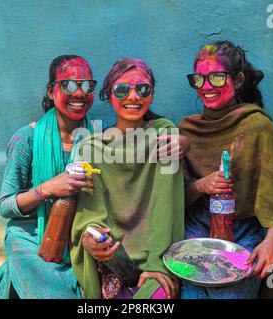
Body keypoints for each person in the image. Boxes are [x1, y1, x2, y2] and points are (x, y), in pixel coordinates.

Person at [179, 41, 273, 299]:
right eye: (199, 79)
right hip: (196, 231)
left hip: (243, 233)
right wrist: (202, 185)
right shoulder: (186, 131)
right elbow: (177, 200)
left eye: (217, 78)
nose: (207, 87)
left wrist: (271, 242)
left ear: (239, 79)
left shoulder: (258, 128)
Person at [70, 57, 188, 299]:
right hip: (112, 261)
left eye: (142, 89)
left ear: (151, 94)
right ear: (109, 95)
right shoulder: (92, 148)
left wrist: (157, 263)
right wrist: (90, 239)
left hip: (159, 259)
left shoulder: (164, 137)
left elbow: (167, 208)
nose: (134, 97)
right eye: (123, 90)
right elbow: (88, 217)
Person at [0, 55, 97, 298]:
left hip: (79, 237)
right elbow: (6, 206)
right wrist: (46, 189)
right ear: (50, 90)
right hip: (31, 240)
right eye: (68, 85)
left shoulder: (99, 137)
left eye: (87, 86)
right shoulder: (26, 139)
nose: (79, 94)